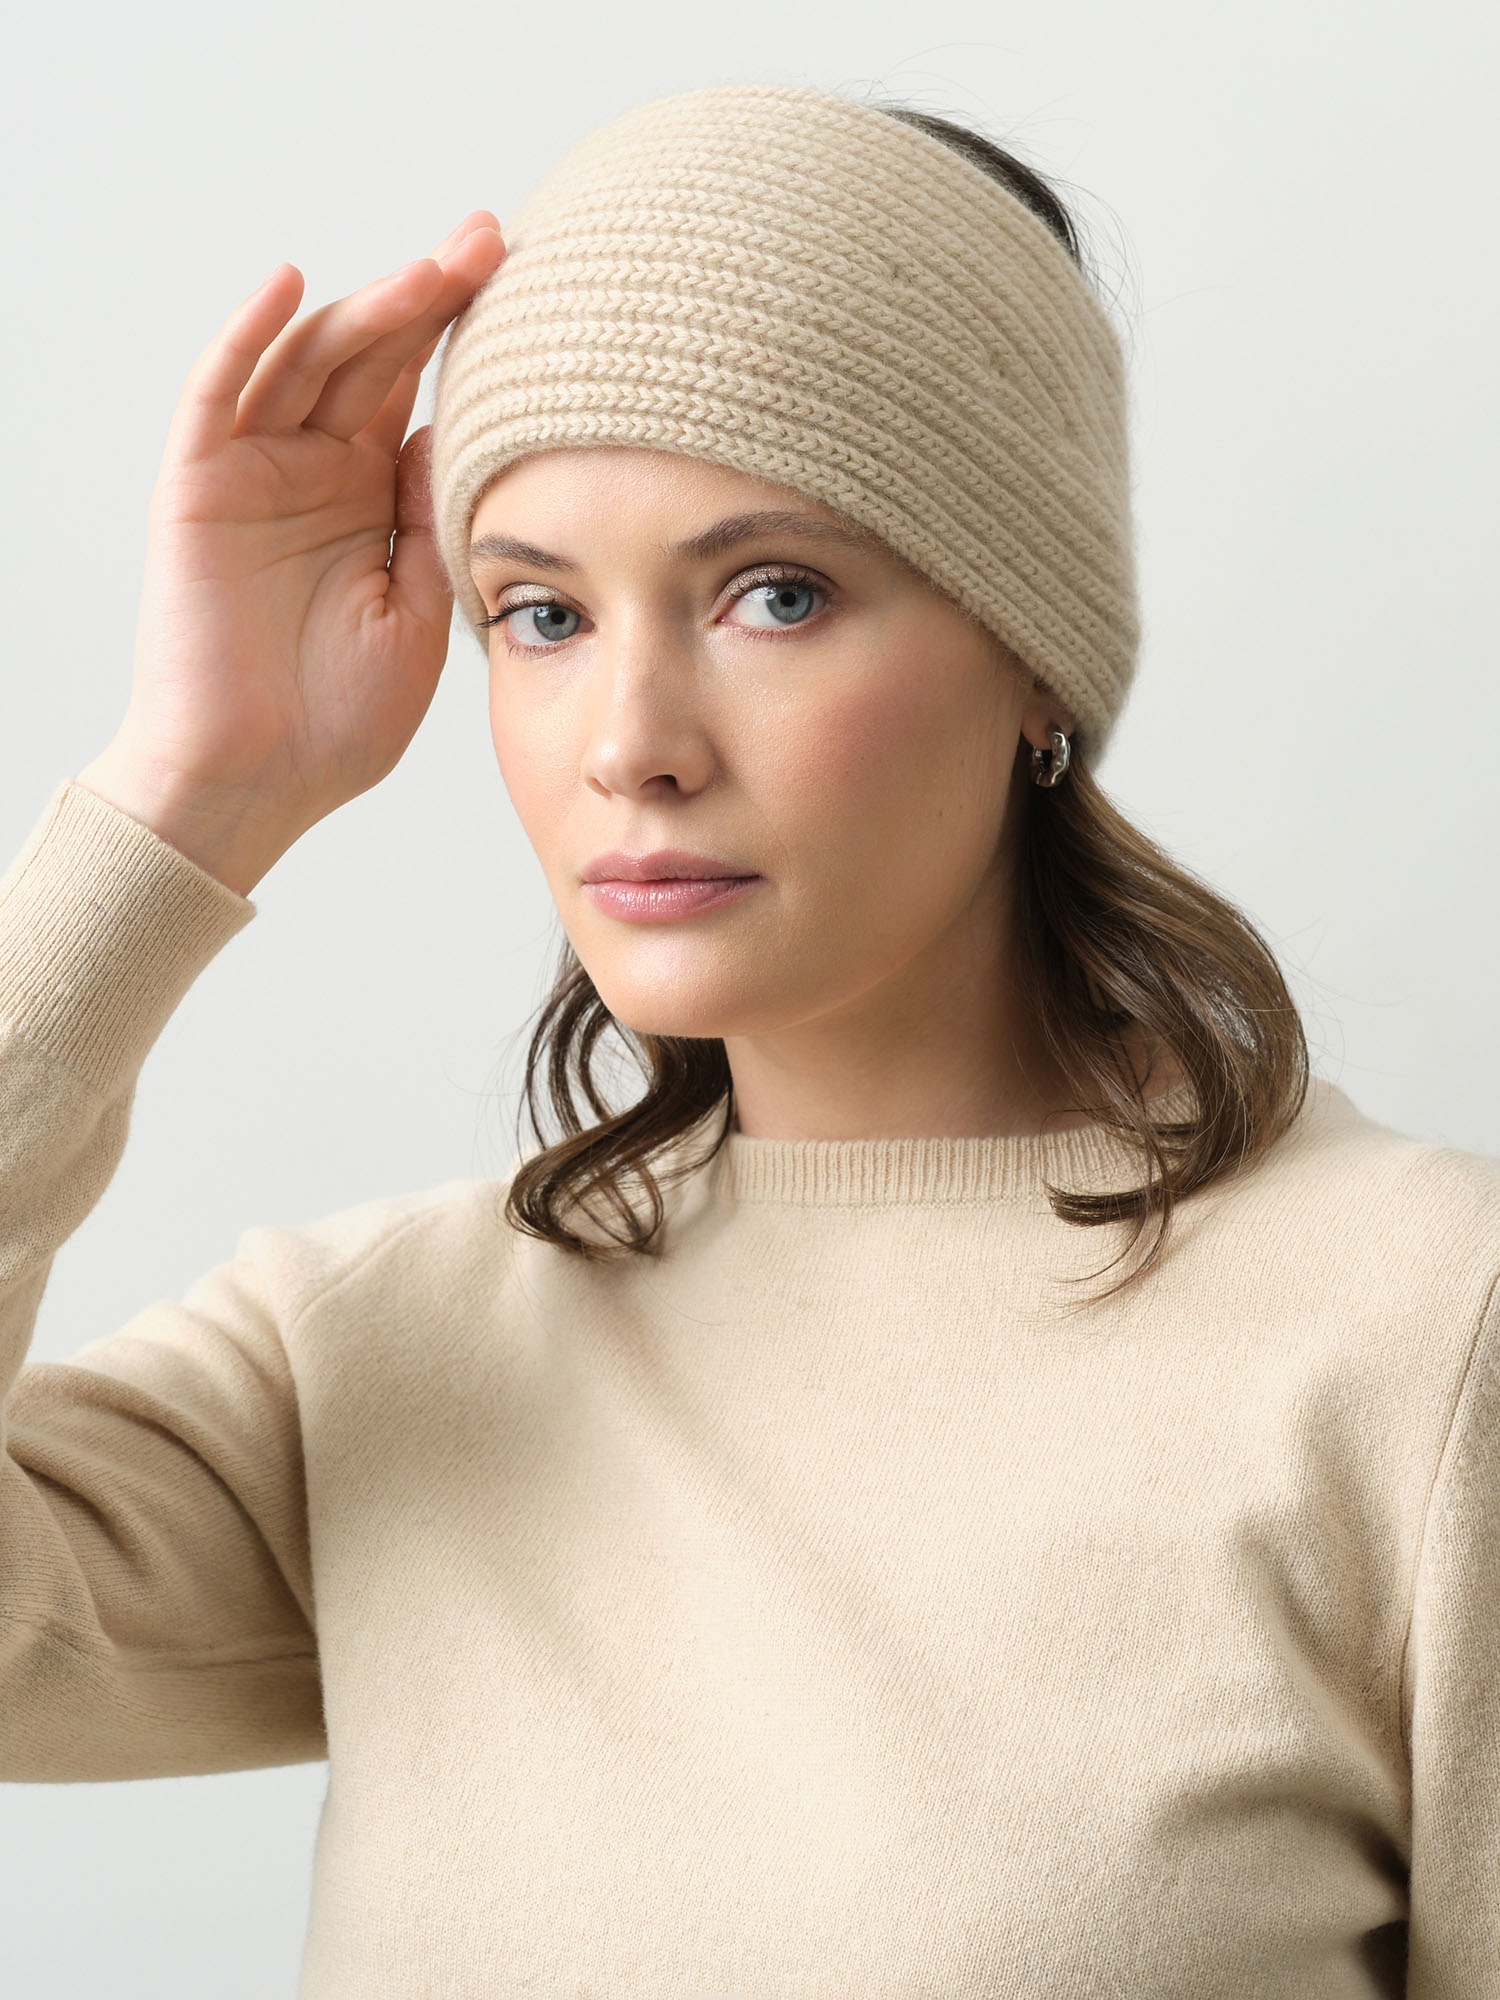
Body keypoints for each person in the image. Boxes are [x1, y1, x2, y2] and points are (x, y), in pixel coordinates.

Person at [0, 78, 1492, 1999]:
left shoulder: (1422, 1331)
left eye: (773, 595)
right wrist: (189, 794)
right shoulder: (381, 1349)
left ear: (1037, 653)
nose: (631, 742)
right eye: (538, 615)